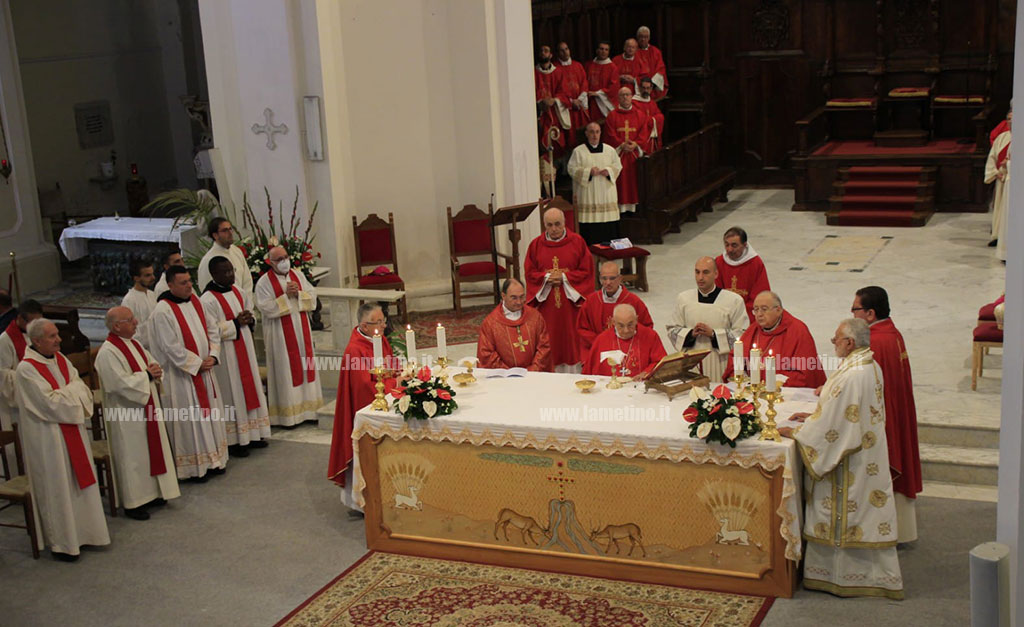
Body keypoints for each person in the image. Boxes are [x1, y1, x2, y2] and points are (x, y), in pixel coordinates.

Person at [779, 319, 903, 600]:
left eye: (836, 338)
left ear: (849, 342)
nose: (833, 342)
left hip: (851, 459)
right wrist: (813, 416)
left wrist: (799, 431)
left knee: (848, 513)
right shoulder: (867, 364)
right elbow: (839, 412)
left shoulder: (852, 374)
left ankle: (843, 576)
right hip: (864, 453)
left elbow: (835, 428)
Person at [16, 319, 110, 560]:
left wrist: (68, 392)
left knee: (78, 484)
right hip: (49, 440)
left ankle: (86, 533)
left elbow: (81, 387)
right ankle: (64, 543)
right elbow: (50, 403)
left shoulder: (60, 359)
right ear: (36, 341)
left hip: (72, 430)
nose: (59, 339)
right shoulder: (26, 369)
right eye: (52, 336)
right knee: (58, 487)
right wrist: (71, 393)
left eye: (57, 334)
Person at [95, 307, 180, 520]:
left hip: (146, 406)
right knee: (133, 456)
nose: (136, 322)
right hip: (127, 414)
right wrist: (147, 376)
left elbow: (151, 365)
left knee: (151, 450)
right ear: (116, 326)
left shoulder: (133, 343)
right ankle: (135, 502)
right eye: (130, 319)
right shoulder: (108, 352)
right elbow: (117, 383)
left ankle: (155, 493)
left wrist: (154, 372)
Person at [851, 286, 921, 543]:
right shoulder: (892, 333)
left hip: (883, 420)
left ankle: (883, 532)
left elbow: (859, 385)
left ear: (869, 313)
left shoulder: (875, 342)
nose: (852, 315)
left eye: (855, 309)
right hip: (896, 411)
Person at [149, 266, 228, 481]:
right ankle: (195, 467)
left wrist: (213, 354)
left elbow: (213, 329)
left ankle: (215, 459)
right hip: (181, 376)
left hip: (205, 370)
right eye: (183, 283)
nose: (189, 286)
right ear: (170, 285)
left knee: (209, 415)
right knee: (191, 420)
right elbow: (169, 347)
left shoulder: (197, 301)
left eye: (189, 281)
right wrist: (197, 363)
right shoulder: (162, 311)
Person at [329, 303, 400, 504]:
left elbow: (389, 366)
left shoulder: (379, 340)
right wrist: (395, 383)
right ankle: (359, 500)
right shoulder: (355, 350)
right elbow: (364, 388)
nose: (383, 326)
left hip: (384, 403)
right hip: (364, 410)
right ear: (364, 325)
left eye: (383, 321)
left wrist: (399, 373)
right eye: (377, 322)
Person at [201, 256, 270, 456]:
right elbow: (209, 331)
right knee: (233, 393)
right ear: (214, 274)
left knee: (250, 388)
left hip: (245, 348)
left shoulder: (239, 291)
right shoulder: (207, 300)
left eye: (231, 270)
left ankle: (254, 433)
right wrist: (234, 323)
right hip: (227, 356)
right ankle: (235, 440)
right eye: (225, 272)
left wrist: (249, 319)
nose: (231, 275)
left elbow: (251, 313)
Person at [255, 246, 322, 426]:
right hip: (280, 336)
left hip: (301, 331)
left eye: (286, 257)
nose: (284, 261)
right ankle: (288, 416)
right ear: (270, 262)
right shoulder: (263, 283)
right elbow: (265, 308)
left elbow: (313, 297)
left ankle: (309, 411)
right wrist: (285, 296)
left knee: (305, 365)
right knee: (285, 369)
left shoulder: (298, 275)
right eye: (279, 259)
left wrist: (299, 294)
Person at [524, 207, 595, 371]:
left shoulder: (577, 242)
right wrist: (547, 278)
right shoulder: (535, 245)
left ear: (565, 223)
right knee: (549, 337)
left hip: (571, 305)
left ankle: (575, 372)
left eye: (557, 224)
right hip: (547, 305)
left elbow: (587, 271)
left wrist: (564, 278)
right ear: (544, 225)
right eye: (549, 225)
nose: (554, 229)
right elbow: (530, 273)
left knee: (572, 338)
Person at [666, 257, 748, 383]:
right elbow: (672, 330)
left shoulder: (733, 301)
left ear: (716, 274)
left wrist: (714, 335)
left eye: (705, 272)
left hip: (721, 362)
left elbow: (742, 334)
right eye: (697, 272)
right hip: (692, 363)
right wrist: (690, 334)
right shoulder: (683, 298)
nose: (700, 277)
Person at [725, 291, 826, 388]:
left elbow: (805, 372)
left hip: (786, 393)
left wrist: (771, 383)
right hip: (754, 390)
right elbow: (735, 360)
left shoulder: (798, 331)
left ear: (778, 310)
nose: (759, 314)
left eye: (764, 309)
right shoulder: (753, 330)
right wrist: (745, 381)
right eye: (756, 309)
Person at [578, 261, 653, 355]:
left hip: (627, 351)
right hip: (598, 349)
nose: (608, 283)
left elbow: (647, 328)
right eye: (604, 278)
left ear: (620, 278)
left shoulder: (633, 301)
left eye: (612, 278)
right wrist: (602, 343)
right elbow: (582, 329)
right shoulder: (591, 301)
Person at [477, 278, 552, 372]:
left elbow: (544, 346)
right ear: (503, 296)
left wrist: (533, 369)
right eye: (514, 297)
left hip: (534, 376)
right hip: (505, 380)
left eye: (522, 297)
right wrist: (510, 374)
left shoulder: (535, 317)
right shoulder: (491, 323)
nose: (519, 302)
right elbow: (486, 354)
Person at [566, 122, 623, 244]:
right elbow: (572, 169)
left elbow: (618, 166)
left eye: (597, 132)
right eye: (591, 132)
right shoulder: (578, 151)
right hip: (588, 196)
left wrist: (609, 171)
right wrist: (588, 172)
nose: (594, 135)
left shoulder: (610, 150)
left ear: (600, 133)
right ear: (586, 134)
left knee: (609, 225)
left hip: (606, 194)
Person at [583, 304, 666, 379]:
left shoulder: (650, 336)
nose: (626, 330)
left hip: (640, 389)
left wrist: (646, 373)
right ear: (613, 322)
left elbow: (661, 363)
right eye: (621, 326)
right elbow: (589, 372)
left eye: (630, 325)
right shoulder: (602, 340)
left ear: (636, 320)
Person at [604, 87, 652, 214]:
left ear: (631, 96)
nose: (625, 97)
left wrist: (635, 144)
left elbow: (644, 133)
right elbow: (610, 134)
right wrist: (621, 145)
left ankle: (636, 208)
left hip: (634, 154)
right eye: (622, 95)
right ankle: (620, 208)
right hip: (619, 153)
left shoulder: (640, 115)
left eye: (627, 94)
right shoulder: (612, 116)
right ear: (618, 98)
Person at [0, 299, 44, 431]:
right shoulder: (4, 341)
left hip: (39, 393)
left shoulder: (37, 334)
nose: (36, 327)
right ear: (20, 318)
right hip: (17, 403)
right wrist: (30, 376)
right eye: (33, 322)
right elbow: (2, 375)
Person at [715, 226, 771, 322]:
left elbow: (761, 295)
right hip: (724, 313)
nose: (729, 249)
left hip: (748, 314)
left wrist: (741, 314)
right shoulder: (719, 262)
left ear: (744, 245)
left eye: (734, 245)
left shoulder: (755, 263)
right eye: (726, 245)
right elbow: (714, 291)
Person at [197, 217, 254, 297]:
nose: (230, 233)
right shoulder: (208, 260)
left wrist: (247, 303)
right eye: (225, 230)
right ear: (215, 235)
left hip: (243, 303)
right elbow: (206, 290)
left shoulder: (237, 251)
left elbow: (247, 281)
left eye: (230, 229)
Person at [985, 108, 1011, 261]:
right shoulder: (1002, 137)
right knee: (1000, 209)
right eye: (1008, 119)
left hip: (1013, 178)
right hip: (1002, 179)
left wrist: (1009, 165)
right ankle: (997, 236)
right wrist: (995, 172)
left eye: (1013, 119)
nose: (1011, 122)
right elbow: (992, 157)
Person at [555, 41, 590, 150]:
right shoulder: (555, 68)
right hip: (566, 108)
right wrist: (570, 101)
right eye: (562, 50)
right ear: (557, 53)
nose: (565, 52)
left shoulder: (578, 65)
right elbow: (557, 89)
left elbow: (584, 83)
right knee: (569, 138)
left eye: (566, 49)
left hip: (579, 107)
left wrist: (579, 100)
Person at [535, 44, 566, 158]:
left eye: (546, 51)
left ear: (551, 55)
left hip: (555, 112)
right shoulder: (533, 73)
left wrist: (554, 100)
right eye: (541, 51)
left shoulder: (558, 73)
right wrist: (540, 102)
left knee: (556, 140)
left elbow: (564, 92)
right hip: (539, 113)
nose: (543, 53)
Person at [121, 259, 158, 349]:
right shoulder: (129, 300)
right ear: (136, 278)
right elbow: (128, 331)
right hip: (142, 349)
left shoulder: (152, 295)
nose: (153, 278)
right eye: (147, 275)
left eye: (152, 274)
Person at [586, 41, 619, 124]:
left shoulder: (612, 67)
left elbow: (614, 87)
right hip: (591, 101)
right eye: (601, 49)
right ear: (597, 50)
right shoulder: (589, 65)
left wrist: (598, 93)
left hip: (604, 102)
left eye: (606, 50)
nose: (603, 51)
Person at [635, 26, 668, 99]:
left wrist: (652, 82)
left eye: (646, 37)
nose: (643, 39)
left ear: (649, 38)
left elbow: (661, 68)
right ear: (637, 37)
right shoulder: (633, 51)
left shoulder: (656, 52)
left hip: (653, 84)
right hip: (638, 84)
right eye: (641, 37)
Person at [631, 77, 664, 151]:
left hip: (651, 138)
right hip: (641, 138)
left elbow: (660, 117)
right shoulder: (634, 103)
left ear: (651, 88)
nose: (646, 90)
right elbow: (638, 120)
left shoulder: (652, 103)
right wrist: (653, 119)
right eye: (643, 88)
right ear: (639, 88)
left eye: (648, 88)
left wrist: (652, 120)